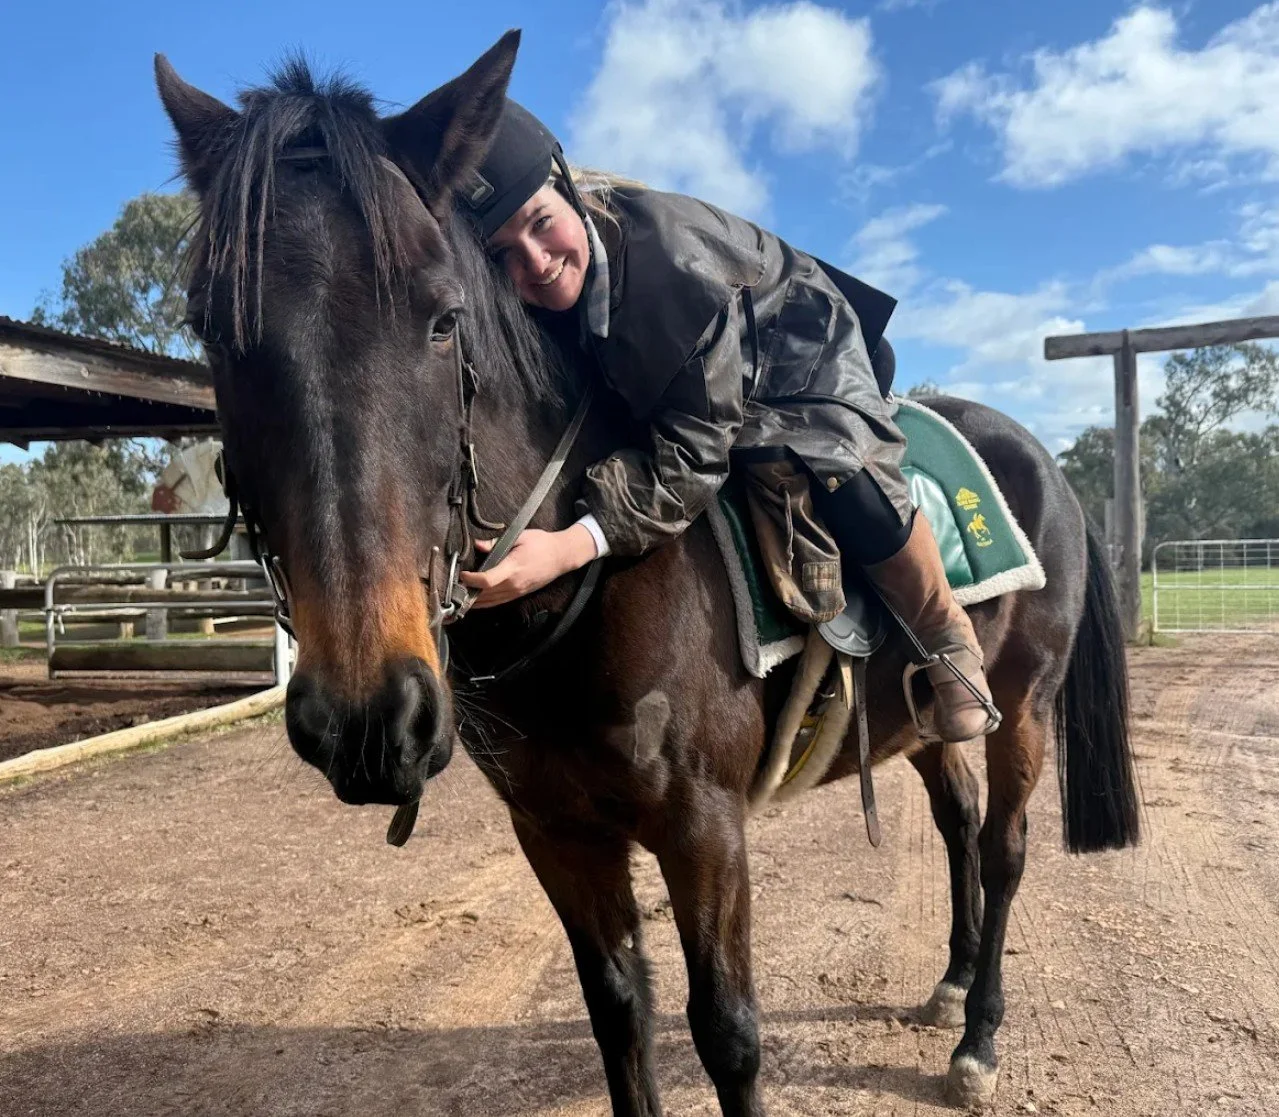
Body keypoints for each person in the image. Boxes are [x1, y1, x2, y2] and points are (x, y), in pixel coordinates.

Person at [458, 101, 999, 744]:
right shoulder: (537, 288)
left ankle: (946, 639)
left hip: (795, 352)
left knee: (838, 474)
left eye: (541, 224)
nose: (536, 262)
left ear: (568, 192)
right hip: (679, 366)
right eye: (503, 255)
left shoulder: (676, 269)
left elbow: (694, 455)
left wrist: (566, 548)